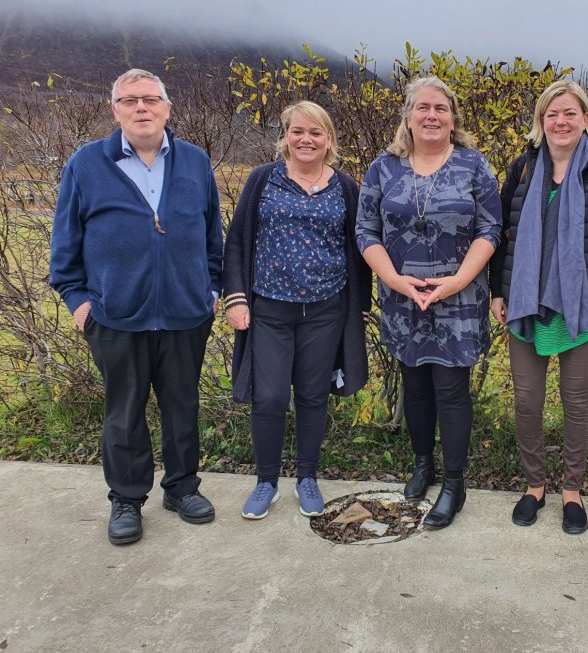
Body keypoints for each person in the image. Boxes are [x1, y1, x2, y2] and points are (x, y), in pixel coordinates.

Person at [50, 68, 222, 545]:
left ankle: (182, 488)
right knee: (124, 411)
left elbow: (212, 238)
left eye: (150, 99)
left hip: (186, 315)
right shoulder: (86, 165)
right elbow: (65, 246)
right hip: (115, 316)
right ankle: (127, 498)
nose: (141, 108)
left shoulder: (194, 161)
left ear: (168, 108)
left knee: (182, 406)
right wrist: (79, 302)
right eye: (130, 101)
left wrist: (209, 291)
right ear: (116, 111)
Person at [490, 80, 588, 535]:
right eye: (552, 114)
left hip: (584, 305)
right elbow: (499, 234)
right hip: (526, 303)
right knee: (528, 401)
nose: (561, 121)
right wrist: (498, 290)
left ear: (586, 119)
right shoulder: (522, 167)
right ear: (541, 120)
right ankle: (535, 485)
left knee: (576, 402)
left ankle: (572, 490)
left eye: (570, 113)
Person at [357, 76, 501, 529]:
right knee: (414, 384)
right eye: (423, 107)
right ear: (408, 116)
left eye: (441, 108)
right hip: (402, 298)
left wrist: (459, 279)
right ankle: (423, 464)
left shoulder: (474, 166)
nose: (432, 115)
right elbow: (366, 231)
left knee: (451, 390)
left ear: (453, 117)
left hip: (459, 297)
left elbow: (491, 229)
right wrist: (394, 280)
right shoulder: (384, 168)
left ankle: (454, 484)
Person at [223, 101, 371, 520]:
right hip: (269, 309)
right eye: (298, 131)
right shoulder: (262, 180)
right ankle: (266, 482)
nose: (306, 140)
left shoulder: (344, 187)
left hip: (326, 310)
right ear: (285, 136)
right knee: (268, 397)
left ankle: (307, 478)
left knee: (311, 396)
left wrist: (358, 309)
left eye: (316, 133)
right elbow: (236, 241)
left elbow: (359, 251)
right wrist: (235, 297)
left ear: (329, 140)